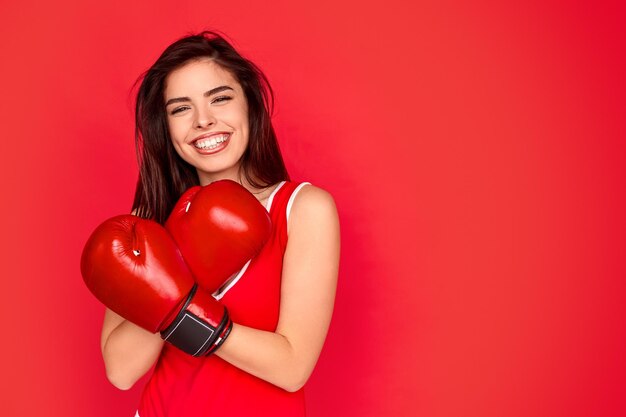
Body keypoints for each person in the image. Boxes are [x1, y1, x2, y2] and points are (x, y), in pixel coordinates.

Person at [99, 30, 340, 417]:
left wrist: (179, 309)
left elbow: (292, 368)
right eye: (181, 109)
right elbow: (121, 371)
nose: (204, 121)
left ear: (250, 105)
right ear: (166, 127)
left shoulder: (303, 209)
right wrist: (180, 261)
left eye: (220, 99)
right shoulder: (146, 223)